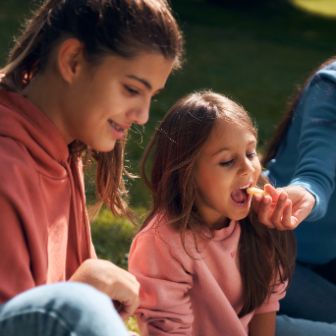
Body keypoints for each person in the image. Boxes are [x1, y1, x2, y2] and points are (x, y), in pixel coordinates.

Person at [0, 0, 183, 335]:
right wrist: (82, 290)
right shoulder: (6, 164)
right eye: (131, 89)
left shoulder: (61, 152)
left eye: (151, 96)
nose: (142, 116)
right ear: (73, 61)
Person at [128, 90, 296, 336]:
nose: (248, 169)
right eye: (227, 161)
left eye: (250, 153)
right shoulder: (163, 243)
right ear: (186, 173)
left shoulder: (257, 222)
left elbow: (265, 307)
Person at [260, 56, 336, 324]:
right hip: (269, 253)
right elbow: (316, 173)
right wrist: (305, 194)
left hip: (325, 258)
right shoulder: (330, 86)